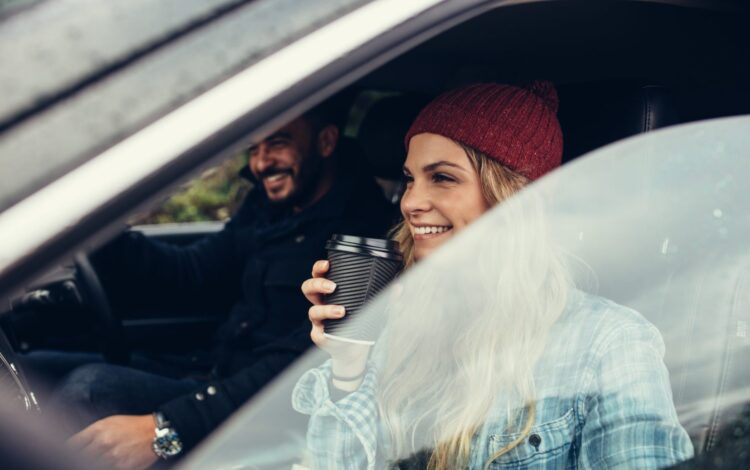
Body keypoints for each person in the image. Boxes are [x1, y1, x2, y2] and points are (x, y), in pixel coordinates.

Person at [292, 82, 694, 469]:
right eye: (410, 178)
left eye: (443, 177)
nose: (411, 202)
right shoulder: (397, 322)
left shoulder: (608, 344)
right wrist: (348, 369)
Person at [24, 100, 394, 469]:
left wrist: (168, 427)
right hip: (212, 370)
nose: (261, 163)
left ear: (326, 141)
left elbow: (304, 370)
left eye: (278, 143)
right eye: (254, 149)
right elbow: (193, 272)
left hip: (264, 415)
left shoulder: (362, 239)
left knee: (89, 389)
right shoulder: (271, 207)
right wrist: (98, 235)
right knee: (32, 369)